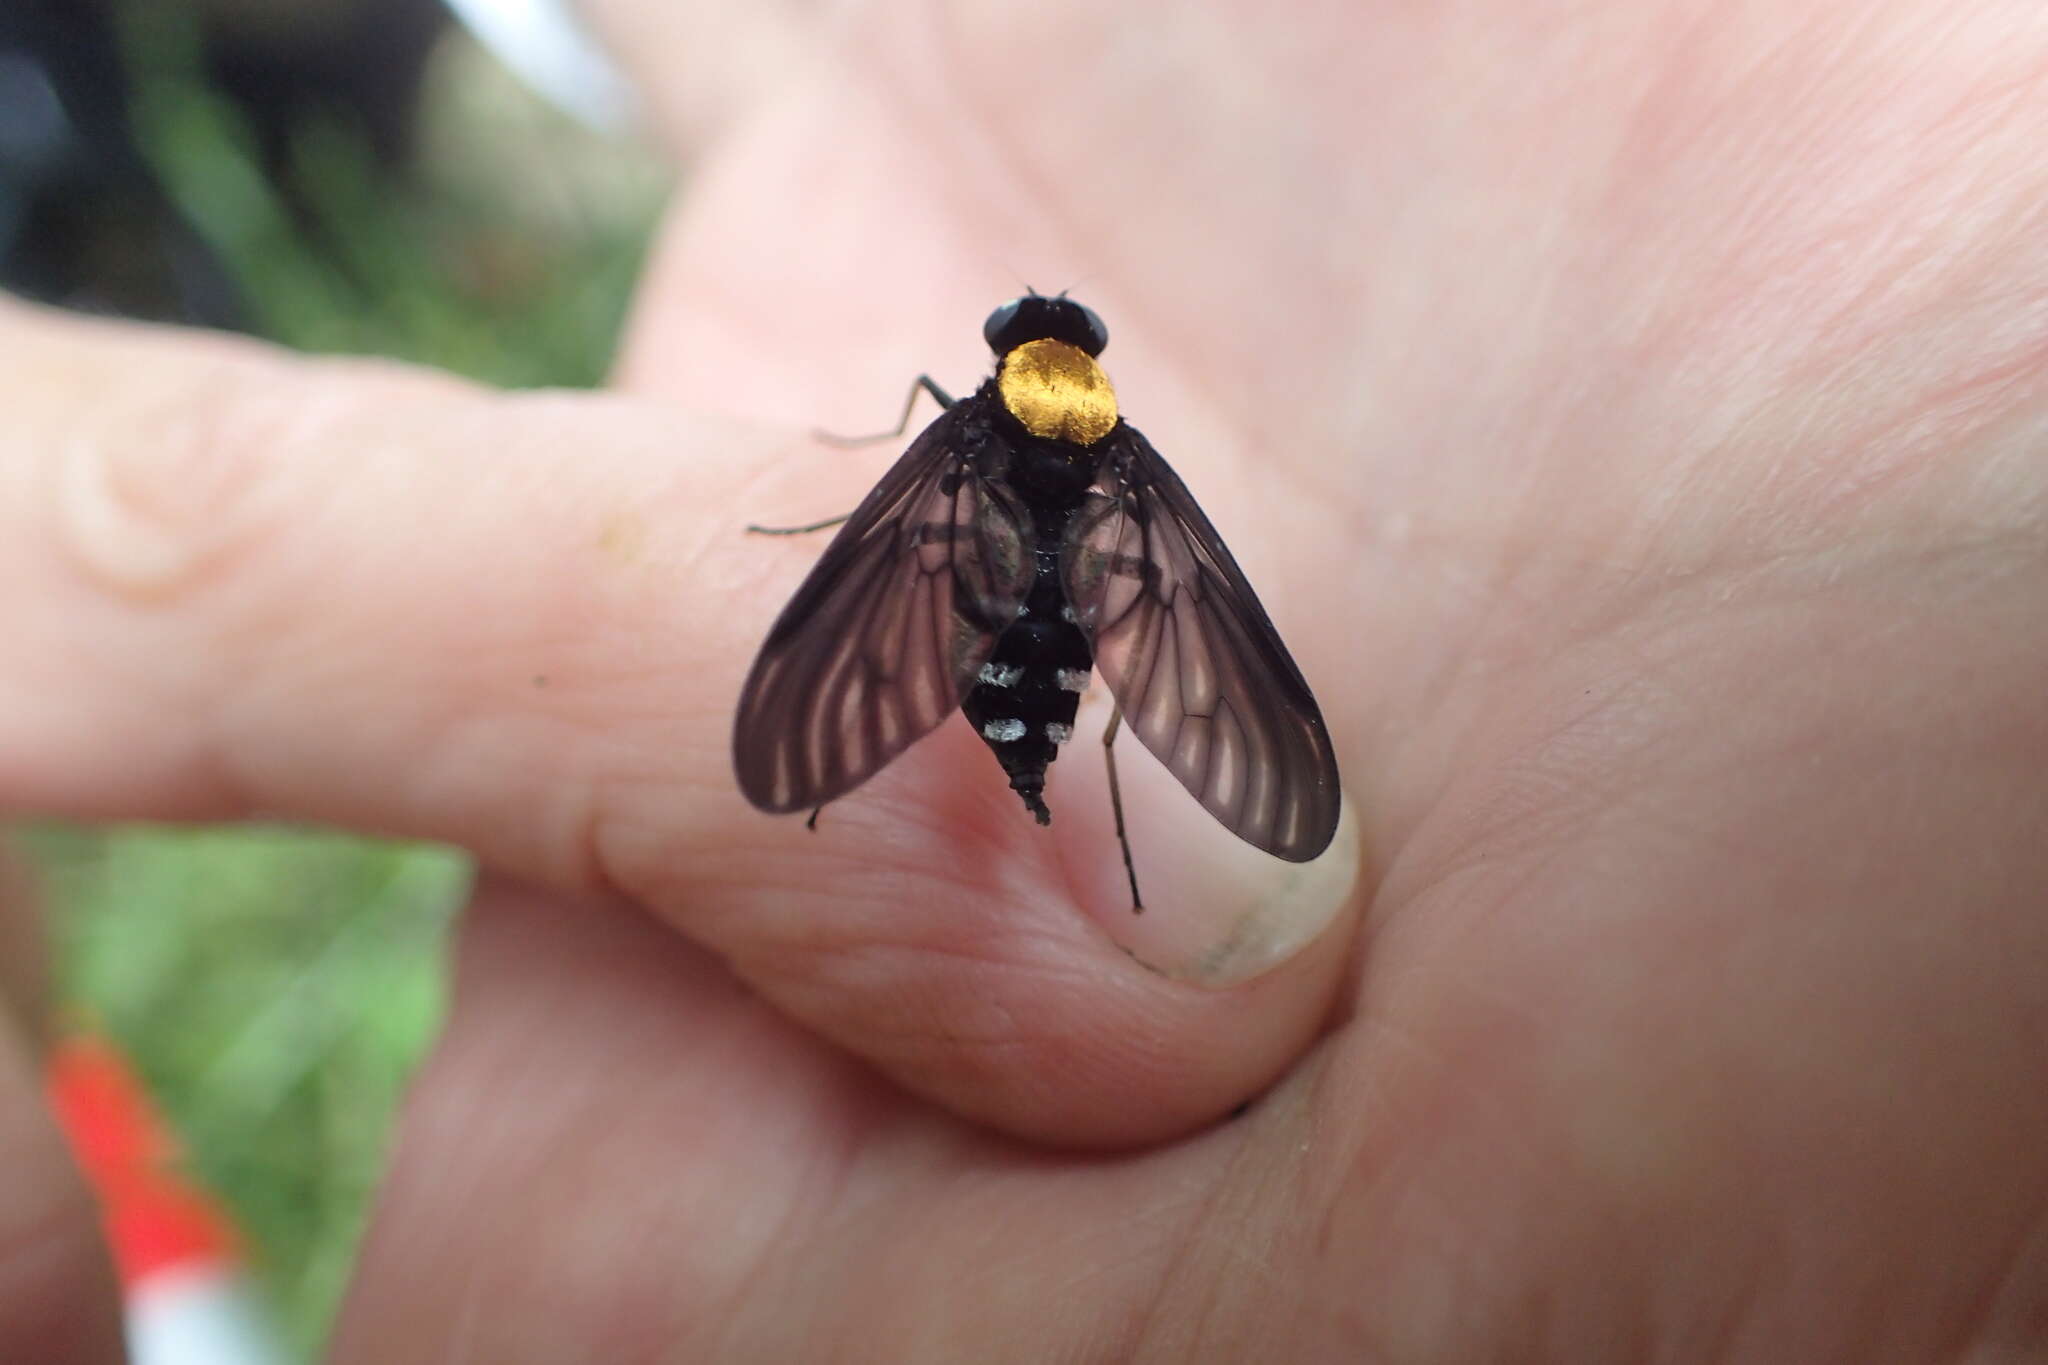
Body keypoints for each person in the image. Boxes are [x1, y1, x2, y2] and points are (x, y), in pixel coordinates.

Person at [6, 3, 2047, 1359]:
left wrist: (899, 543)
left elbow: (923, 537)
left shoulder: (961, 437)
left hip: (989, 647)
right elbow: (1180, 621)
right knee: (1057, 689)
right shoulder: (1120, 463)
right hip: (1049, 654)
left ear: (1004, 373)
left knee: (970, 671)